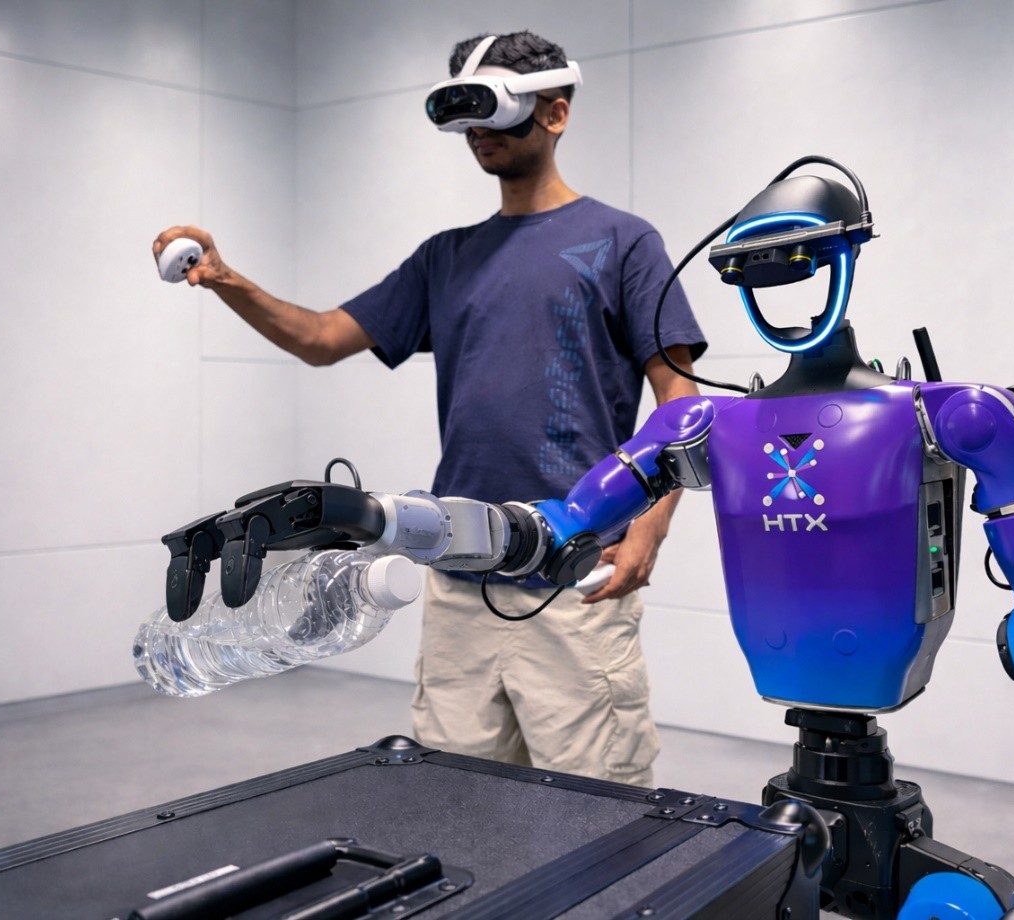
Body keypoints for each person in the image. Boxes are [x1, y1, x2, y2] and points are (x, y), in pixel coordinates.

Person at [152, 30, 705, 788]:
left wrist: (649, 529)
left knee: (597, 805)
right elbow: (318, 338)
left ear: (555, 112)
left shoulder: (622, 242)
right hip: (458, 571)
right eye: (466, 117)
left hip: (575, 579)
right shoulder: (447, 258)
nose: (478, 132)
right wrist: (224, 277)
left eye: (495, 110)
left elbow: (681, 406)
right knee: (455, 795)